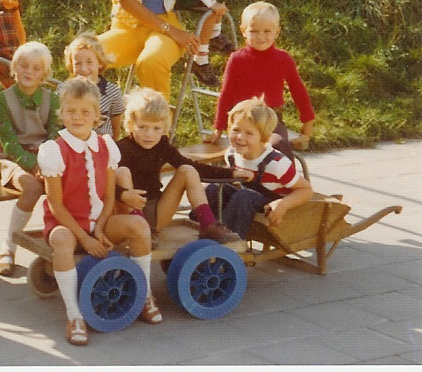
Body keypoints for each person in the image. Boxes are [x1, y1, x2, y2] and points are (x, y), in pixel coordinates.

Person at [38, 77, 162, 347]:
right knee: (60, 240)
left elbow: (108, 197)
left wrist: (102, 228)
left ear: (97, 115)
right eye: (71, 111)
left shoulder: (106, 146)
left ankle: (144, 295)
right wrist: (86, 240)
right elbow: (56, 205)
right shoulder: (53, 150)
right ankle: (74, 316)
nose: (78, 117)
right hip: (67, 223)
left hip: (99, 220)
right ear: (62, 114)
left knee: (138, 227)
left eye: (85, 111)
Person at [114, 87, 243, 242]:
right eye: (142, 127)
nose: (149, 134)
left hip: (156, 213)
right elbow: (102, 183)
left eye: (156, 128)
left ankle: (209, 225)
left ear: (164, 128)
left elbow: (194, 167)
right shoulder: (120, 148)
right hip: (127, 213)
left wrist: (232, 173)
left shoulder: (162, 146)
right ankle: (141, 230)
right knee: (121, 172)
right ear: (130, 124)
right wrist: (123, 194)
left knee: (187, 170)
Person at [206, 1, 315, 153]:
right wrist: (219, 127)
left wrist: (307, 123)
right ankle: (245, 175)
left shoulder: (283, 59)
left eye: (267, 31)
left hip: (271, 120)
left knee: (276, 145)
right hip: (243, 119)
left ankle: (284, 176)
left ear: (277, 32)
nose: (261, 37)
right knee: (245, 147)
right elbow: (226, 94)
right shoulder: (237, 59)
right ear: (243, 31)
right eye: (254, 31)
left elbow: (299, 91)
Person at [0, 41, 60, 277]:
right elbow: (9, 142)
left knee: (69, 182)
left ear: (45, 73)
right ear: (14, 67)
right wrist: (32, 166)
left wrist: (44, 162)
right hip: (15, 159)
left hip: (45, 156)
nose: (29, 72)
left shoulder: (52, 99)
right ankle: (7, 247)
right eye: (24, 65)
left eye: (36, 68)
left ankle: (61, 240)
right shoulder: (2, 100)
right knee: (32, 188)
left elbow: (53, 135)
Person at [205, 98, 313, 239]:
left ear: (263, 138)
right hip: (250, 200)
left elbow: (306, 190)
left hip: (273, 205)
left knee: (244, 196)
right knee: (213, 188)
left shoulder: (276, 164)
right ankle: (206, 229)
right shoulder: (232, 155)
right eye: (236, 129)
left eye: (249, 133)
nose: (240, 137)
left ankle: (231, 242)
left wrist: (283, 204)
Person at [63, 32, 125, 138]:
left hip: (101, 146)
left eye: (89, 62)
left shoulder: (112, 92)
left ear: (99, 62)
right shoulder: (63, 90)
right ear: (71, 65)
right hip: (72, 145)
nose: (83, 69)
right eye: (77, 63)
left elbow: (116, 128)